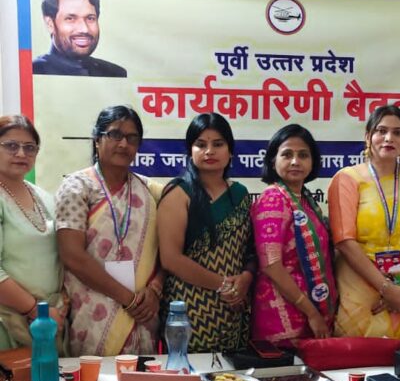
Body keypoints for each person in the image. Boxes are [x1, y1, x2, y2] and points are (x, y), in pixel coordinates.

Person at [328, 105, 400, 341]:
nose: (389, 138)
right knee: (362, 358)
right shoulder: (348, 179)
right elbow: (344, 241)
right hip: (359, 290)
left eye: (397, 132)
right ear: (368, 137)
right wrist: (386, 288)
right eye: (381, 131)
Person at [56, 105, 162, 356]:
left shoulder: (149, 191)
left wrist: (155, 290)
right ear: (97, 140)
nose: (124, 144)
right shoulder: (77, 187)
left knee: (141, 377)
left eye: (132, 138)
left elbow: (167, 251)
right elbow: (72, 255)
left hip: (142, 316)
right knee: (93, 377)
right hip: (91, 314)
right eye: (115, 135)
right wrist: (129, 299)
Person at [158, 113, 255, 353]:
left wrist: (245, 279)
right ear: (190, 151)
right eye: (201, 145)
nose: (209, 151)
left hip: (233, 308)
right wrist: (222, 285)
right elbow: (170, 259)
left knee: (233, 372)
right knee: (191, 372)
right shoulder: (179, 193)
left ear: (230, 151)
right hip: (189, 309)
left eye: (218, 144)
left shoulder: (240, 194)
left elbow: (250, 250)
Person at [251, 124, 337, 345]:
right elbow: (271, 265)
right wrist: (312, 312)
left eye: (303, 155)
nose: (295, 161)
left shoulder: (307, 201)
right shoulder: (273, 199)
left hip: (311, 315)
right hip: (283, 318)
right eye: (287, 154)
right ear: (273, 160)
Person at [0, 115, 68, 352]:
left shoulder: (43, 196)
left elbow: (60, 255)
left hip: (50, 320)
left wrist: (63, 300)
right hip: (9, 322)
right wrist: (34, 310)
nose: (21, 154)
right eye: (11, 146)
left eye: (29, 147)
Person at [33, 0, 127, 77]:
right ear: (50, 24)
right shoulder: (35, 71)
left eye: (90, 18)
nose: (84, 29)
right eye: (70, 18)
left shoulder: (115, 73)